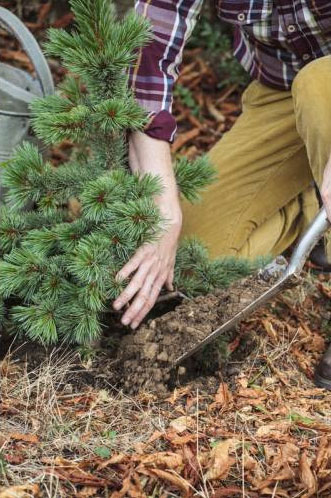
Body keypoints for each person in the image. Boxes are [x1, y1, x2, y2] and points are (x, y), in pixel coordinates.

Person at [112, 0, 331, 390]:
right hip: (280, 94)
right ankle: (307, 203)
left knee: (318, 83)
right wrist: (164, 210)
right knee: (195, 257)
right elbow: (148, 54)